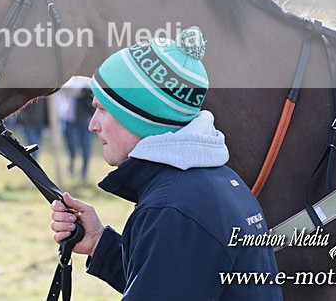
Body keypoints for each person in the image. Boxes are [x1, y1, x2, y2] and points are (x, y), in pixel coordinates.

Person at [50, 28, 282, 300]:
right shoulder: (213, 184)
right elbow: (177, 281)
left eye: (103, 109)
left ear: (142, 117)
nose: (92, 125)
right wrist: (99, 243)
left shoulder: (173, 209)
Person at [58, 79, 94, 182]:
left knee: (86, 148)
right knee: (71, 148)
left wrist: (84, 93)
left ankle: (84, 173)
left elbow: (91, 105)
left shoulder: (86, 84)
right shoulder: (68, 83)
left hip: (84, 122)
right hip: (69, 121)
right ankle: (71, 169)